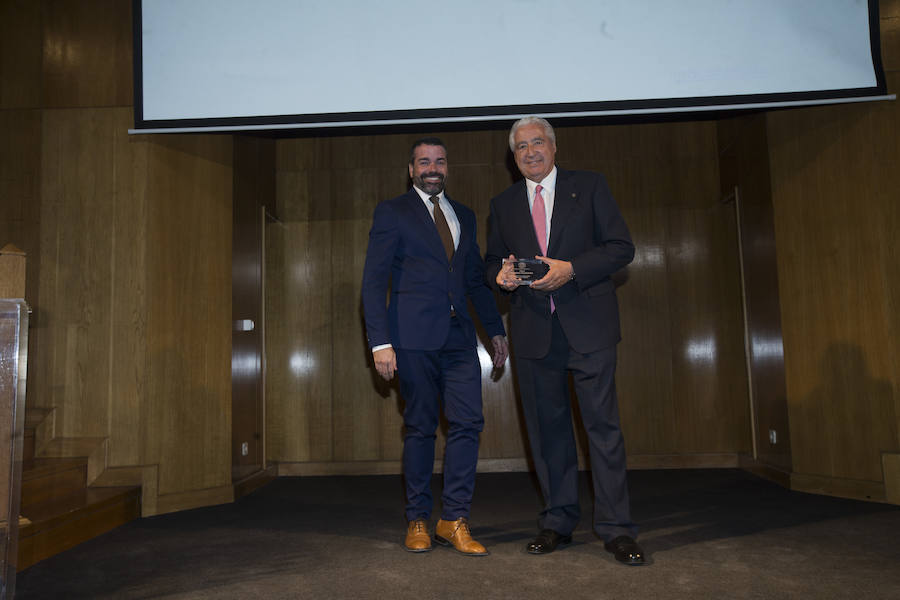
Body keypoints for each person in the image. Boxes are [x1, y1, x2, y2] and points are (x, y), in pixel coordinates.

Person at [484, 117, 645, 565]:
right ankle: (557, 521)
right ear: (512, 158)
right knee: (548, 433)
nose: (530, 151)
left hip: (589, 328)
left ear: (554, 148)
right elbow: (492, 261)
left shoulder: (590, 186)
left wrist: (570, 268)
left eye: (538, 142)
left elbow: (620, 247)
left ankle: (616, 529)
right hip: (535, 333)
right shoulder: (503, 204)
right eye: (521, 147)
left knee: (603, 430)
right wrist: (500, 274)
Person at [362, 137, 509, 555]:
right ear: (411, 169)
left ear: (448, 168)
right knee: (421, 428)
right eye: (424, 161)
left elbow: (473, 281)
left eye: (440, 161)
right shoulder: (392, 212)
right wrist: (380, 343)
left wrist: (495, 330)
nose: (433, 168)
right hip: (410, 341)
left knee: (468, 424)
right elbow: (373, 281)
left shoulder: (463, 214)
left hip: (460, 340)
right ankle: (418, 519)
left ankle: (454, 518)